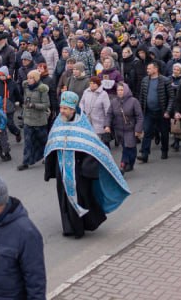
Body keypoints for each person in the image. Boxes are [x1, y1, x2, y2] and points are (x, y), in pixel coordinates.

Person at [43, 91, 130, 238]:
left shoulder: (82, 124)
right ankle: (69, 227)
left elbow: (93, 147)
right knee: (63, 197)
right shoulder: (58, 121)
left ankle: (80, 227)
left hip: (78, 169)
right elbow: (52, 143)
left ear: (72, 109)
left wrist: (86, 167)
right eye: (61, 108)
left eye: (65, 109)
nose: (62, 111)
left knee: (81, 197)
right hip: (61, 168)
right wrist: (50, 168)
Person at [16, 70, 51, 171]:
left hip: (39, 120)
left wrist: (34, 105)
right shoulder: (26, 87)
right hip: (28, 119)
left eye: (31, 78)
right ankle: (25, 162)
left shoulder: (42, 89)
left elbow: (46, 105)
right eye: (28, 77)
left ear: (36, 79)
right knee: (27, 142)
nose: (29, 80)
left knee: (43, 141)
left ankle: (48, 156)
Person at [108, 83, 143, 173]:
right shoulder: (114, 102)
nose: (120, 92)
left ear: (126, 90)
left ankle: (123, 165)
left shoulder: (133, 101)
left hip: (130, 129)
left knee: (129, 148)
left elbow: (139, 116)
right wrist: (107, 125)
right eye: (118, 90)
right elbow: (109, 114)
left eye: (121, 90)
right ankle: (128, 164)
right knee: (126, 147)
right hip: (119, 130)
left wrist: (138, 129)